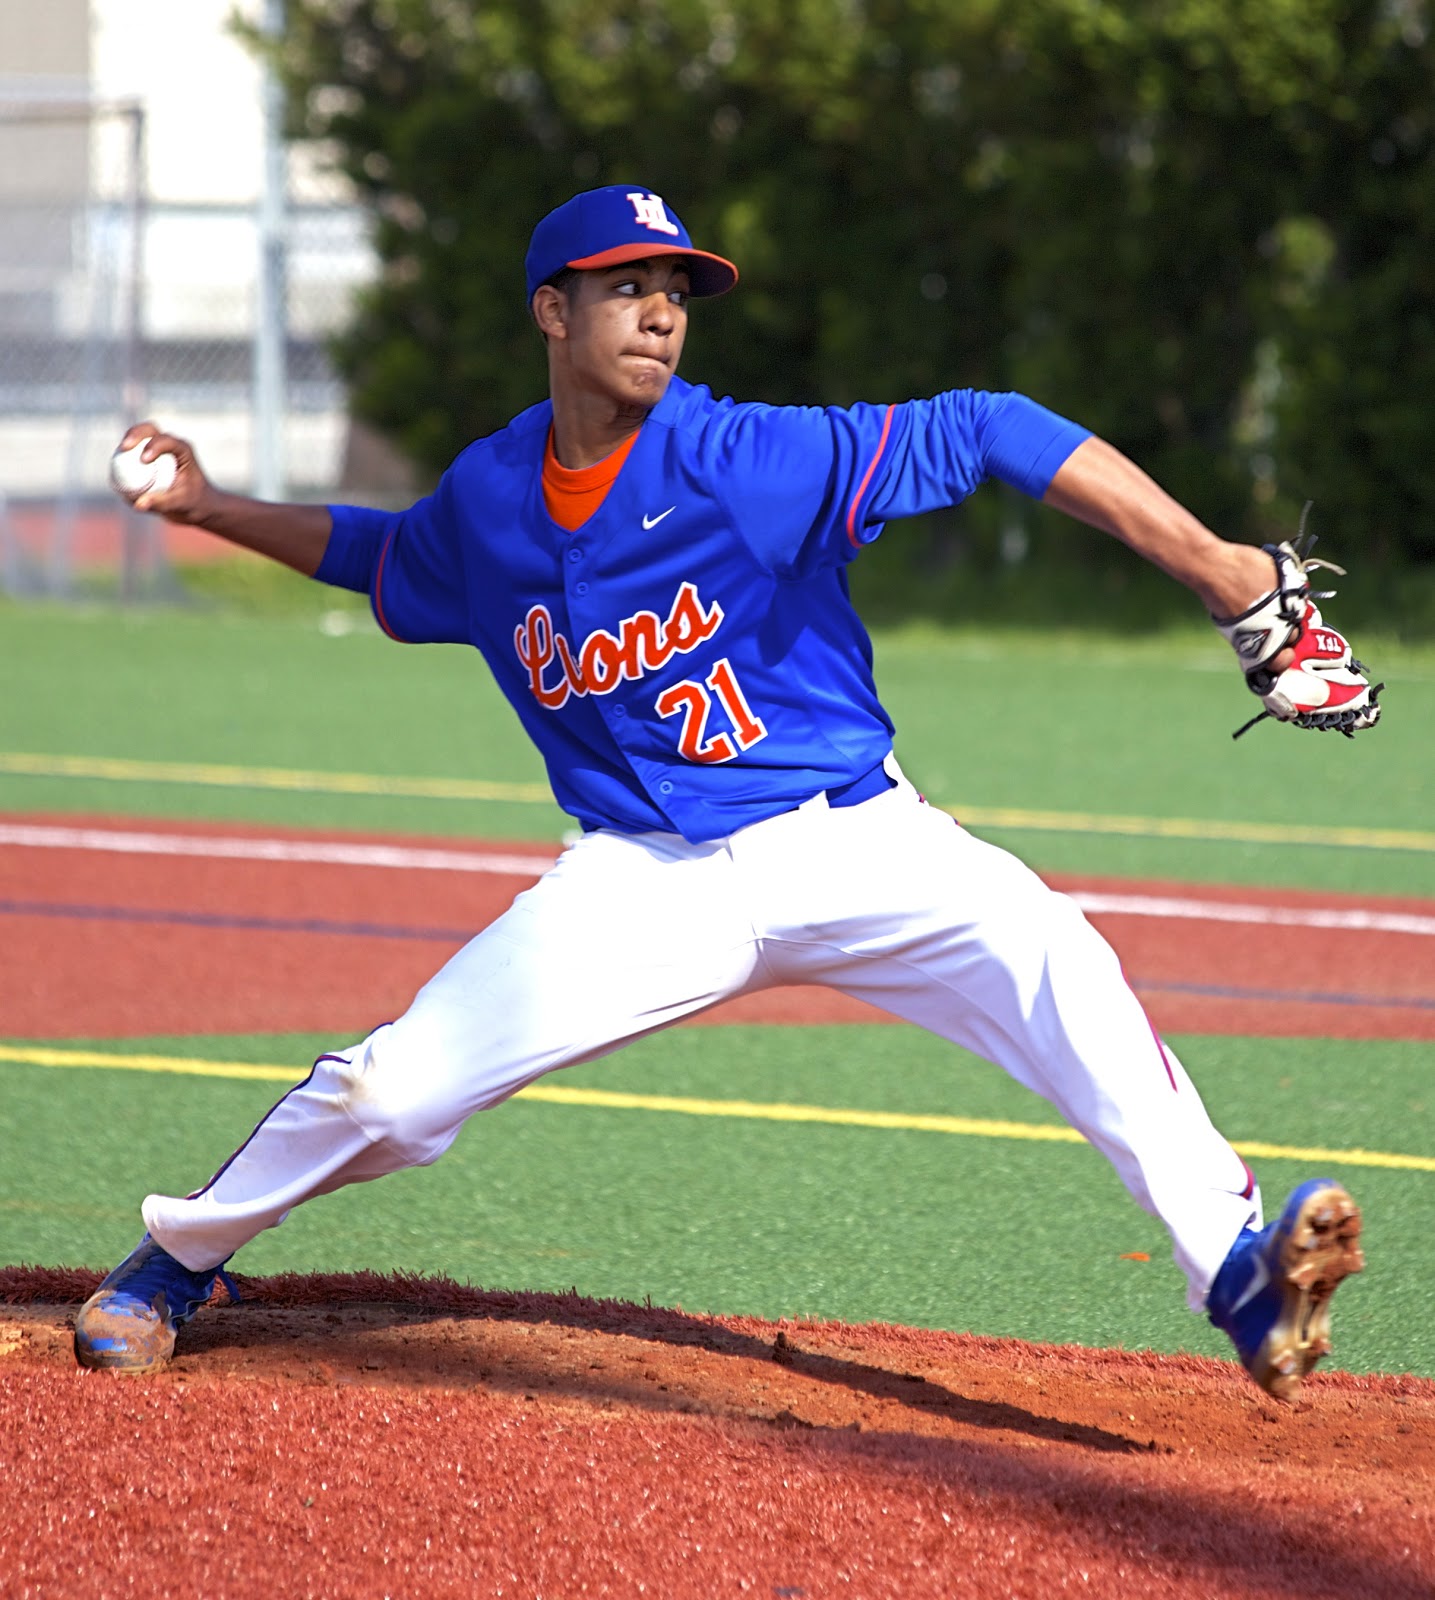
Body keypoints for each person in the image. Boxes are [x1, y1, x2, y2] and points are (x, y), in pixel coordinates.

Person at [75, 184, 1374, 1400]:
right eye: (624, 284)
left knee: (1063, 971)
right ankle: (180, 1258)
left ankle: (1243, 1281)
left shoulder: (743, 461)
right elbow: (389, 557)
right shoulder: (490, 496)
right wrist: (209, 506)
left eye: (678, 292)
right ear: (549, 310)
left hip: (857, 844)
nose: (658, 312)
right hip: (643, 882)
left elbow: (994, 429)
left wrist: (1219, 571)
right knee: (393, 1089)